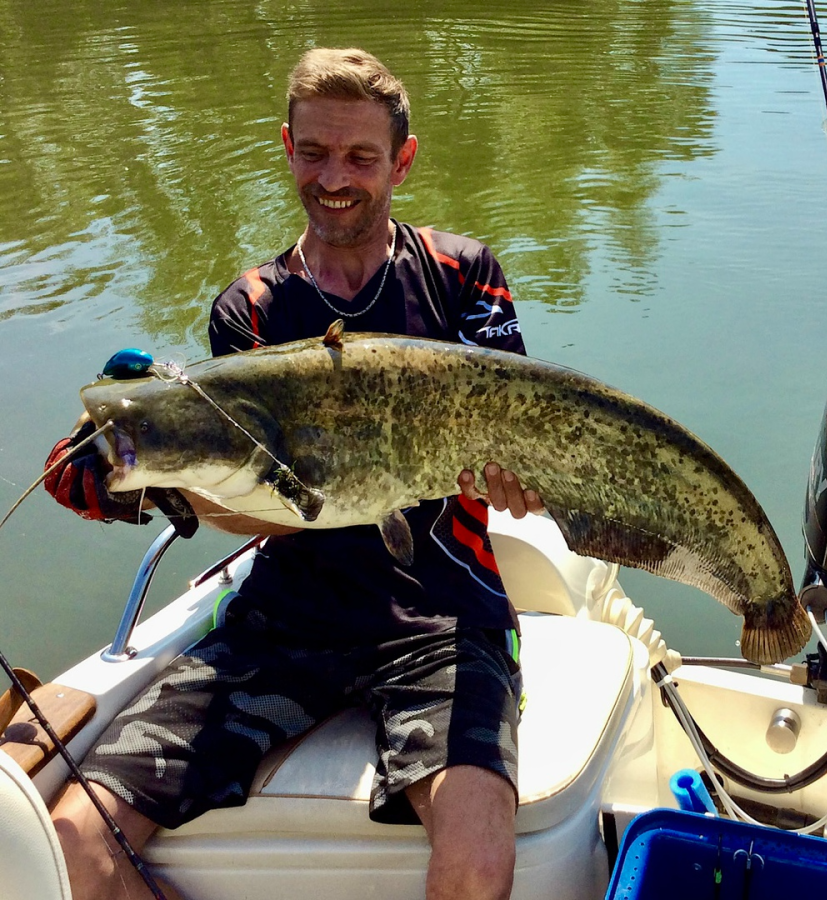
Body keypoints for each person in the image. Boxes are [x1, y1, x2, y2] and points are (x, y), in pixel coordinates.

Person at [45, 47, 543, 900]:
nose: (334, 178)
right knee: (71, 847)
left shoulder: (463, 273)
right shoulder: (251, 309)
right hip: (284, 622)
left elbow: (518, 421)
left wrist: (516, 478)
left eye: (359, 156)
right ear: (287, 148)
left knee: (474, 866)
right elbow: (257, 499)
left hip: (446, 615)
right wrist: (145, 478)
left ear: (402, 161)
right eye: (313, 152)